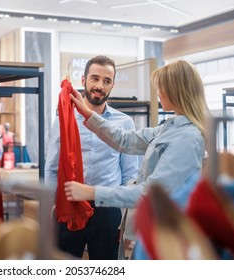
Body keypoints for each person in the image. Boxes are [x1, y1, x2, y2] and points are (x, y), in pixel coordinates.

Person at [65, 60, 209, 215]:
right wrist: (88, 113)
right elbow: (125, 140)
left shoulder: (188, 139)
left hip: (164, 228)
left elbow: (151, 193)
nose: (158, 93)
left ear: (177, 92)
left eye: (162, 88)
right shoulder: (171, 128)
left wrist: (92, 192)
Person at [45, 55, 140, 260]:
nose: (100, 86)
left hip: (108, 208)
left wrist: (124, 219)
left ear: (113, 85)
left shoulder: (124, 123)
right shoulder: (64, 119)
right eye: (95, 78)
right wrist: (53, 208)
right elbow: (52, 168)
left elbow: (130, 174)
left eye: (106, 81)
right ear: (83, 80)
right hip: (70, 203)